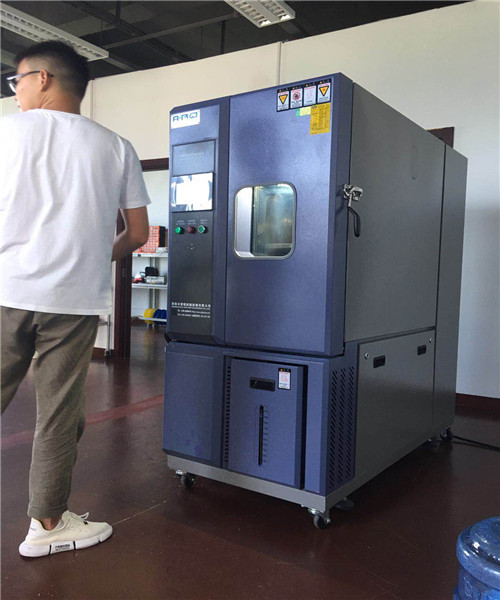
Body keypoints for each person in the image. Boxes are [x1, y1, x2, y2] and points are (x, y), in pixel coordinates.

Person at [0, 41, 150, 557]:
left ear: (42, 78)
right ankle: (47, 525)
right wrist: (87, 259)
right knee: (58, 414)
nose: (14, 91)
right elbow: (137, 233)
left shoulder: (4, 132)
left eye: (16, 81)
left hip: (6, 290)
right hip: (74, 300)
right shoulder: (117, 147)